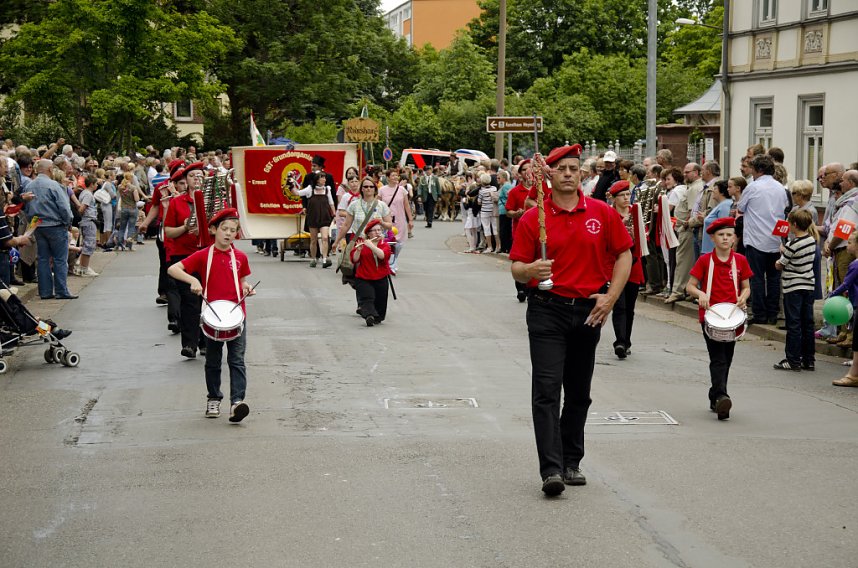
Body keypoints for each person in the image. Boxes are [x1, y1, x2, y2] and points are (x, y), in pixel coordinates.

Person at [509, 144, 632, 496]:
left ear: (582, 174)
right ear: (551, 174)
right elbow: (516, 268)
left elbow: (624, 255)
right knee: (547, 391)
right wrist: (529, 270)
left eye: (574, 168)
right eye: (561, 168)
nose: (568, 173)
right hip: (547, 309)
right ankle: (551, 470)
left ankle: (571, 460)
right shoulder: (536, 218)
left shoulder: (601, 212)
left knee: (579, 393)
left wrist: (610, 297)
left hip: (588, 312)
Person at [167, 208, 254, 422]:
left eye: (233, 230)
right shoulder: (203, 255)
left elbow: (242, 280)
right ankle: (214, 397)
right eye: (224, 229)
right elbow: (173, 269)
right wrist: (193, 280)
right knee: (213, 361)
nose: (228, 234)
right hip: (213, 317)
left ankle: (237, 403)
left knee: (237, 361)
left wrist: (246, 287)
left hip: (236, 316)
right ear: (214, 230)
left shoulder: (240, 257)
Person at [685, 217, 752, 421]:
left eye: (729, 235)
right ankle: (722, 396)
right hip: (711, 317)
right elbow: (690, 286)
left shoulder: (740, 260)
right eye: (721, 235)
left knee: (727, 358)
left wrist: (743, 297)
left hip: (732, 317)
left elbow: (746, 287)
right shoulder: (705, 260)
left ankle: (715, 395)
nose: (725, 238)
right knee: (718, 358)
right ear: (713, 238)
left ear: (734, 238)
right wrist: (701, 294)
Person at [737, 154, 788, 325]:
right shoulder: (780, 187)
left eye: (752, 168)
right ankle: (773, 313)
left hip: (756, 238)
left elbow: (741, 207)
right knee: (774, 278)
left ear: (758, 170)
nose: (750, 171)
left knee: (757, 278)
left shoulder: (753, 187)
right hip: (775, 240)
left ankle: (759, 313)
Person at [163, 162, 206, 357]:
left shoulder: (213, 201)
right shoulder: (176, 202)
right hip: (184, 257)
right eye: (192, 176)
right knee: (189, 301)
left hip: (207, 254)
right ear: (185, 181)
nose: (197, 178)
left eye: (200, 175)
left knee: (207, 299)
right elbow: (169, 232)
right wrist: (185, 228)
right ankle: (190, 344)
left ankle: (206, 341)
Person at [773, 209, 818, 371]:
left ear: (795, 225)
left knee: (794, 323)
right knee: (808, 323)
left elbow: (780, 264)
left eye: (790, 223)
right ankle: (809, 359)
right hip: (808, 285)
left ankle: (793, 359)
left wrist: (782, 252)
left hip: (793, 286)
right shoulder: (812, 241)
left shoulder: (792, 244)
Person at [25, 159, 77, 300]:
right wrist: (68, 222)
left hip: (38, 225)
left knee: (43, 259)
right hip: (55, 224)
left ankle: (45, 291)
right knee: (60, 259)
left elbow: (27, 208)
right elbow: (64, 207)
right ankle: (61, 290)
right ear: (49, 170)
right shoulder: (54, 186)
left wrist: (32, 224)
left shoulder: (29, 186)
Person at [608, 180, 644, 359]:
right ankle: (620, 341)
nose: (625, 198)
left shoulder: (635, 214)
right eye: (621, 195)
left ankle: (626, 340)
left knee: (629, 306)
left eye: (627, 194)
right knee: (619, 304)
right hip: (614, 265)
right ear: (614, 199)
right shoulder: (609, 215)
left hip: (634, 264)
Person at [350, 219, 392, 326]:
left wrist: (372, 246)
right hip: (364, 277)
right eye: (374, 230)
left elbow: (383, 256)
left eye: (379, 230)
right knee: (367, 298)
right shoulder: (362, 244)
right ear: (368, 233)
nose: (377, 233)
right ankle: (369, 315)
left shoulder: (384, 245)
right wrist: (358, 251)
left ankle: (376, 316)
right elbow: (354, 260)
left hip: (380, 277)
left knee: (380, 304)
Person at [291, 170, 335, 268]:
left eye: (324, 177)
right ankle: (313, 258)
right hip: (313, 217)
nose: (324, 179)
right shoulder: (310, 189)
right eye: (322, 177)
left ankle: (324, 259)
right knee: (313, 240)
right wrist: (291, 184)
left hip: (324, 217)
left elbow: (331, 202)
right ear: (317, 180)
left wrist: (334, 213)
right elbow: (297, 193)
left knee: (324, 238)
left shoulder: (327, 189)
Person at [378, 169, 414, 275]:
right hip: (386, 221)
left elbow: (406, 205)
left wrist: (410, 219)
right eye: (392, 175)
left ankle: (393, 260)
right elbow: (378, 205)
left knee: (399, 243)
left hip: (400, 219)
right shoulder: (382, 190)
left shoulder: (402, 190)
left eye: (396, 175)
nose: (395, 177)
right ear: (388, 177)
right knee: (388, 242)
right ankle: (391, 264)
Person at [74, 174, 99, 277]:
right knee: (89, 244)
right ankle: (84, 267)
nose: (97, 185)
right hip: (89, 221)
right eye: (96, 183)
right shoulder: (88, 195)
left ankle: (83, 266)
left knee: (87, 244)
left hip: (87, 221)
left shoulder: (84, 193)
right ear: (92, 184)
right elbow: (82, 208)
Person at [701, 180, 733, 255]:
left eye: (715, 188)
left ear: (721, 192)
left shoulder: (725, 205)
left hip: (714, 249)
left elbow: (723, 226)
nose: (713, 191)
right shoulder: (720, 205)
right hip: (710, 248)